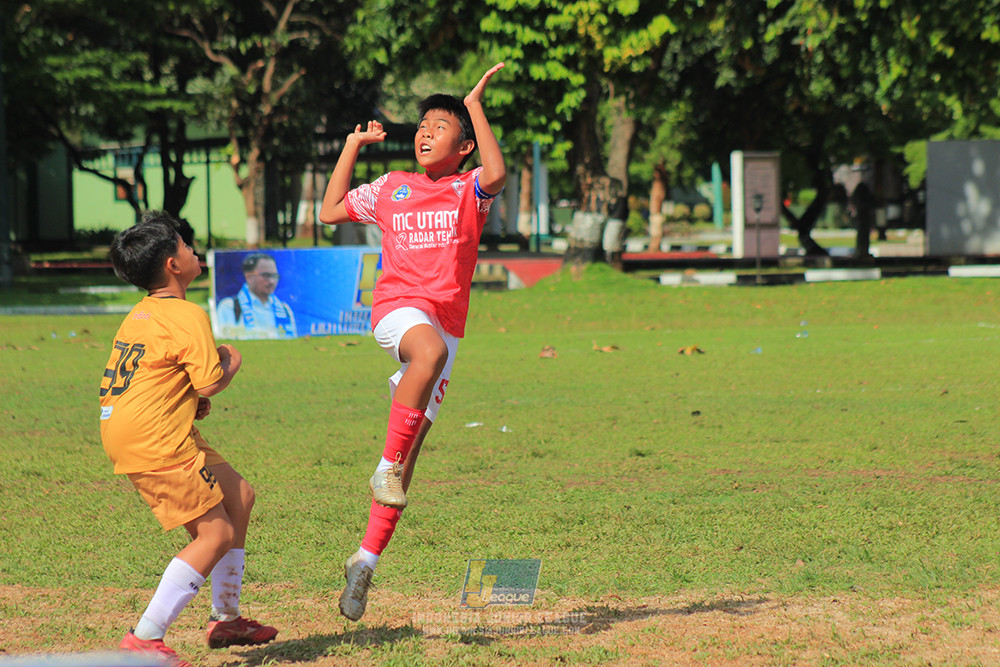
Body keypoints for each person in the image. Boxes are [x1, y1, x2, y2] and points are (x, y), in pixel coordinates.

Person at [318, 63, 507, 622]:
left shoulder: (467, 188)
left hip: (446, 326)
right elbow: (330, 211)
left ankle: (365, 562)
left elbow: (495, 171)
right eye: (422, 124)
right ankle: (383, 467)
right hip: (400, 312)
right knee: (427, 358)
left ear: (464, 144)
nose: (425, 132)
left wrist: (475, 104)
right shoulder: (393, 187)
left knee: (408, 461)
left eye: (439, 126)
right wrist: (352, 146)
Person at [99, 211, 278, 667]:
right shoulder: (186, 313)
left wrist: (186, 397)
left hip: (140, 426)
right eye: (184, 244)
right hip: (156, 437)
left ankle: (227, 618)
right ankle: (145, 636)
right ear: (172, 266)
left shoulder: (142, 313)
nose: (193, 249)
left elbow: (164, 377)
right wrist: (230, 357)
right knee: (215, 533)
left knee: (238, 495)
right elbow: (210, 382)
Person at [216, 253, 297, 339]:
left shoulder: (284, 310)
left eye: (274, 276)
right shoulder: (229, 307)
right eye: (266, 276)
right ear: (249, 277)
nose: (271, 281)